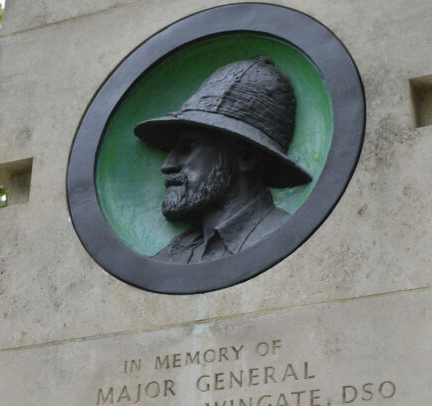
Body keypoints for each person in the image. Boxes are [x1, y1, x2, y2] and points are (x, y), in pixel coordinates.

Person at [134, 56, 312, 264]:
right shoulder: (173, 256)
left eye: (188, 147)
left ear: (246, 156)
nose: (167, 165)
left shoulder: (291, 241)